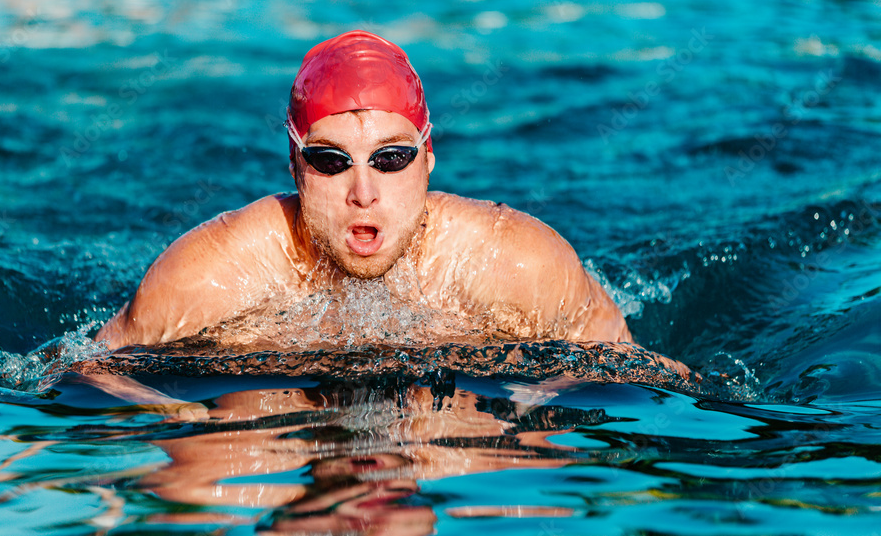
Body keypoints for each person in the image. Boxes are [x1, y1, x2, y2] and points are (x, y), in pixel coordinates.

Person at [94, 30, 632, 352]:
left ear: (428, 161)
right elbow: (82, 380)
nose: (364, 192)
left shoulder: (517, 265)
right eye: (330, 161)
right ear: (293, 166)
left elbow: (637, 375)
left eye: (391, 158)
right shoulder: (209, 277)